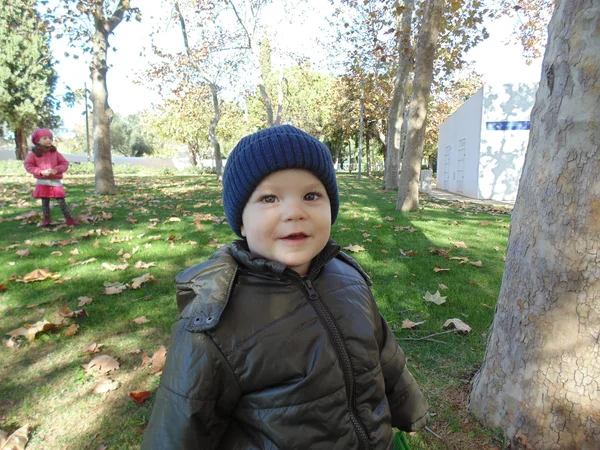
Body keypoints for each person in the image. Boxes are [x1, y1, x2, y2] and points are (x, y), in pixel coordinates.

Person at [141, 125, 429, 449]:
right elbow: (181, 422)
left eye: (311, 195)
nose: (294, 212)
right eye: (269, 198)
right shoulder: (213, 319)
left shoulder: (349, 277)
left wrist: (410, 412)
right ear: (240, 221)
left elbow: (385, 356)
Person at [24, 128, 79, 227]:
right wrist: (40, 172)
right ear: (37, 141)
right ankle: (46, 219)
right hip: (42, 181)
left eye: (50, 138)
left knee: (61, 200)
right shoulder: (33, 154)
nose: (48, 140)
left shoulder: (55, 153)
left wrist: (57, 169)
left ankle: (69, 218)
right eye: (45, 138)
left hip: (55, 180)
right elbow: (29, 166)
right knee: (45, 201)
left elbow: (64, 163)